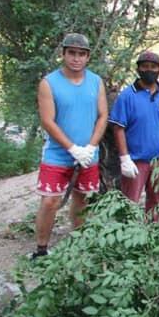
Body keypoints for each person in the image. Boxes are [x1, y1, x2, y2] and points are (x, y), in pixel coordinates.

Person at [32, 33, 108, 258]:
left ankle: (78, 244)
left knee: (82, 199)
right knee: (50, 201)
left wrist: (91, 147)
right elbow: (48, 120)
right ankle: (41, 249)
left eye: (81, 54)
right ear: (63, 54)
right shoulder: (49, 83)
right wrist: (72, 148)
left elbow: (103, 115)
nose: (76, 58)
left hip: (88, 154)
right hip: (57, 154)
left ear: (87, 57)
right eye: (72, 53)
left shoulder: (96, 81)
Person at [108, 50, 159, 214]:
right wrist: (124, 158)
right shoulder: (127, 96)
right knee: (130, 201)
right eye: (145, 67)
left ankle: (153, 231)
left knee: (157, 200)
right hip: (136, 159)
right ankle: (128, 233)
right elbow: (118, 128)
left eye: (153, 67)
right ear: (138, 69)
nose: (149, 70)